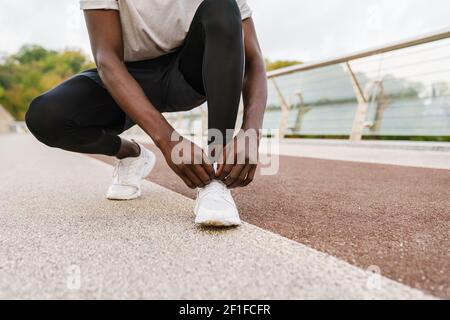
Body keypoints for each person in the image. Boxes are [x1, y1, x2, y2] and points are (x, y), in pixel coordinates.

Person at [25, 0, 268, 227]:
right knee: (45, 116)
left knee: (221, 5)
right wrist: (168, 140)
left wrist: (251, 133)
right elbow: (106, 59)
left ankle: (216, 179)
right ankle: (131, 154)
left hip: (187, 74)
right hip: (124, 78)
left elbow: (253, 58)